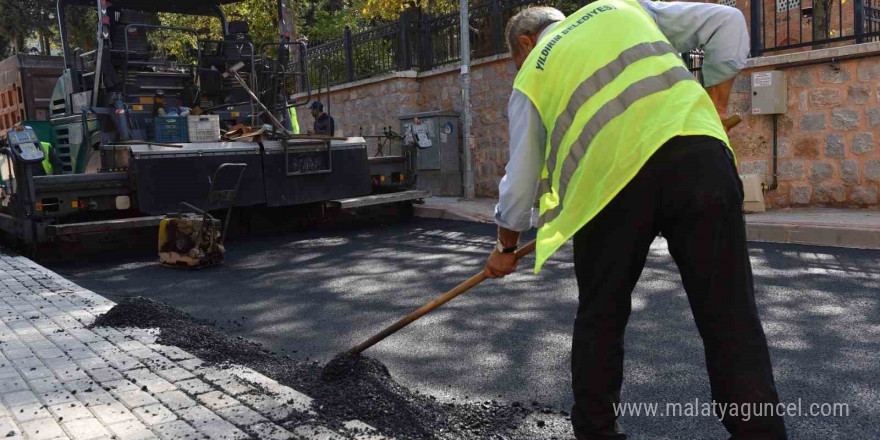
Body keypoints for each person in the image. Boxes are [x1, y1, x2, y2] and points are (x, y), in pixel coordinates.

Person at [483, 2, 788, 439]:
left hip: (611, 189)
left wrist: (505, 248)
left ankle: (597, 430)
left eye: (516, 60)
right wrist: (716, 102)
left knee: (600, 320)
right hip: (698, 158)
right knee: (730, 319)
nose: (519, 68)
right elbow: (729, 22)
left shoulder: (533, 73)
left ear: (526, 43)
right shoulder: (622, 7)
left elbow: (520, 181)